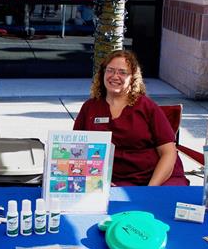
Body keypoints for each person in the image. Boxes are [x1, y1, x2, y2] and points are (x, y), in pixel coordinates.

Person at [73, 50, 189, 186]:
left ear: (133, 78)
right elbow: (77, 150)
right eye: (110, 70)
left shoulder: (147, 107)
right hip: (109, 180)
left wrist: (151, 188)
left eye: (122, 72)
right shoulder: (90, 107)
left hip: (155, 178)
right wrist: (97, 181)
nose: (115, 76)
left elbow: (168, 153)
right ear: (102, 74)